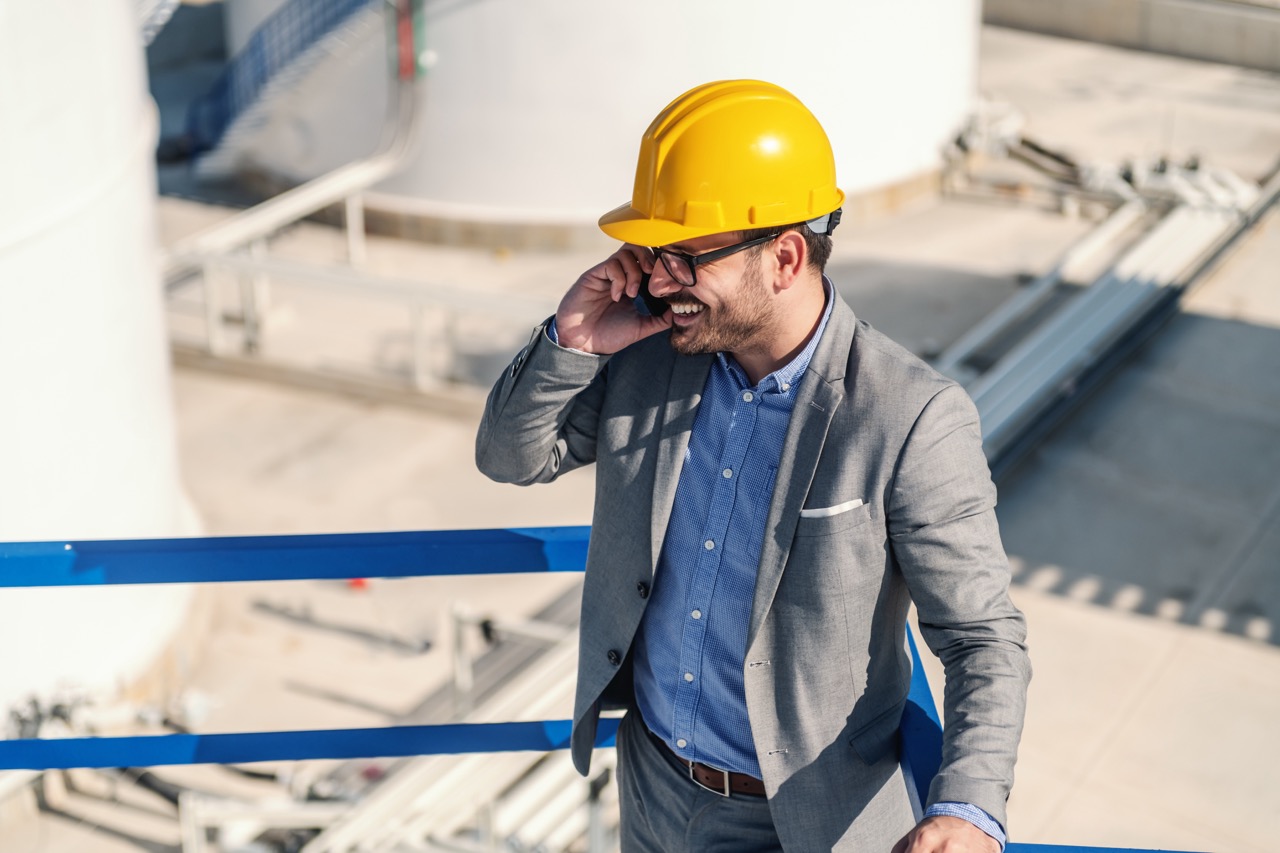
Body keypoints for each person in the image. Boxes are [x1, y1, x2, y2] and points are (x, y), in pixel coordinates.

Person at [476, 80, 1031, 853]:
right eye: (652, 253)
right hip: (652, 784)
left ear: (785, 256)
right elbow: (510, 456)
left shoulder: (909, 416)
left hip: (798, 823)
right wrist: (573, 339)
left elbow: (981, 638)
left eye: (683, 255)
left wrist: (967, 811)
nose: (658, 279)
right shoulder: (654, 355)